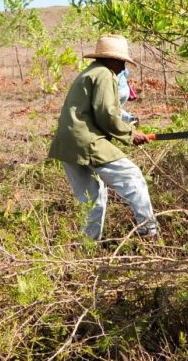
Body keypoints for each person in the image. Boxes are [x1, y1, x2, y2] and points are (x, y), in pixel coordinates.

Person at [48, 34, 159, 240]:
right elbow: (106, 114)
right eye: (122, 62)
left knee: (92, 199)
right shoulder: (105, 74)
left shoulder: (90, 72)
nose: (123, 67)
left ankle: (88, 249)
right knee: (132, 177)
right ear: (114, 60)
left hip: (66, 144)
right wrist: (130, 134)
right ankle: (148, 232)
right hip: (86, 140)